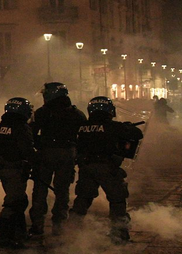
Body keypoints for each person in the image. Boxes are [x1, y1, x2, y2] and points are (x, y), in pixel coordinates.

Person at [71, 96, 143, 244]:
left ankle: (70, 232)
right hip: (107, 168)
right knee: (117, 200)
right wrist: (127, 127)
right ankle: (119, 235)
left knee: (83, 200)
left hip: (86, 167)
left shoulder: (82, 127)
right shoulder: (113, 127)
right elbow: (137, 134)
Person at [30, 83, 87, 237]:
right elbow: (84, 137)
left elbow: (30, 134)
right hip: (67, 154)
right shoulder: (77, 114)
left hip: (45, 154)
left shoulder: (41, 113)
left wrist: (37, 147)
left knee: (40, 190)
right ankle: (59, 226)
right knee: (62, 191)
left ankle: (37, 225)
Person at [0, 97, 35, 247]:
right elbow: (27, 149)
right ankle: (4, 236)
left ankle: (18, 234)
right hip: (15, 168)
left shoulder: (1, 125)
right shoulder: (21, 127)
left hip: (2, 168)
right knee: (14, 202)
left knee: (19, 200)